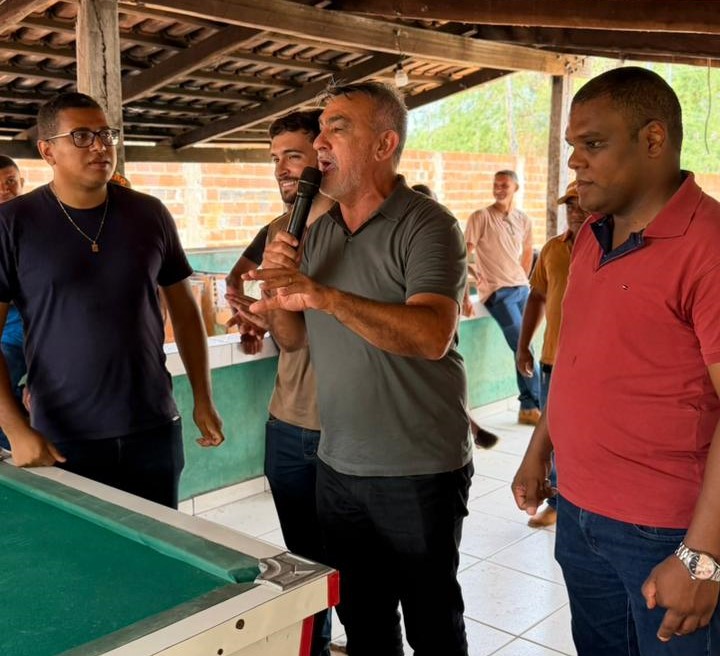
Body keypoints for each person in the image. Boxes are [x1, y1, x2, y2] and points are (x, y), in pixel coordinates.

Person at [242, 81, 473, 656]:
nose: (320, 142)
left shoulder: (427, 224)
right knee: (365, 623)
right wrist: (278, 294)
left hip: (417, 467)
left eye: (338, 128)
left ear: (383, 144)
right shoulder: (315, 232)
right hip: (337, 465)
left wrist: (323, 295)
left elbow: (431, 335)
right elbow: (294, 340)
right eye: (320, 129)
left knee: (432, 624)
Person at [512, 67, 720, 655]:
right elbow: (577, 361)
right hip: (579, 511)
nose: (575, 161)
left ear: (653, 140)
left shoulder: (708, 245)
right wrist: (539, 450)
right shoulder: (589, 237)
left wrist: (703, 556)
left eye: (593, 144)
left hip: (667, 532)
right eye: (572, 145)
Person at [0, 92, 224, 508]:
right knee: (80, 547)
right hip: (62, 436)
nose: (100, 146)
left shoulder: (150, 214)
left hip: (153, 427)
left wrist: (203, 397)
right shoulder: (13, 223)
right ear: (47, 151)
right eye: (81, 136)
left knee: (157, 542)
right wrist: (15, 427)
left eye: (106, 135)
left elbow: (185, 311)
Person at [225, 109, 334, 656]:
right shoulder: (278, 232)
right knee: (305, 569)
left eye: (294, 155)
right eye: (275, 159)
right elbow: (292, 339)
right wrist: (261, 312)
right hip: (289, 421)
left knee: (360, 575)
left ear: (325, 154)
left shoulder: (359, 225)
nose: (282, 169)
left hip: (346, 430)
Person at [515, 181, 590, 528]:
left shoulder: (611, 249)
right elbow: (537, 297)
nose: (575, 211)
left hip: (593, 364)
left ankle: (582, 498)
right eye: (569, 205)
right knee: (555, 431)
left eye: (580, 203)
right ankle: (558, 499)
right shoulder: (552, 250)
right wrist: (523, 346)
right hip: (553, 360)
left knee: (586, 433)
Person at [412, 181, 500, 450]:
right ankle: (470, 426)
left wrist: (464, 298)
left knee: (445, 377)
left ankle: (469, 426)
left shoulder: (442, 234)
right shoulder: (415, 238)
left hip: (438, 329)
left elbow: (455, 270)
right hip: (423, 329)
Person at [464, 170, 542, 426]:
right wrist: (465, 292)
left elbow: (528, 250)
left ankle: (528, 408)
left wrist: (523, 277)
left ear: (515, 188)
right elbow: (463, 254)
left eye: (504, 185)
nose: (498, 189)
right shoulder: (480, 217)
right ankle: (544, 406)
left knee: (525, 347)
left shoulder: (523, 219)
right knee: (522, 347)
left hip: (522, 289)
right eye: (495, 184)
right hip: (498, 293)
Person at [0, 156, 27, 451]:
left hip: (25, 332)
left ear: (22, 183)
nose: (4, 190)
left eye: (10, 182)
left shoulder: (35, 225)